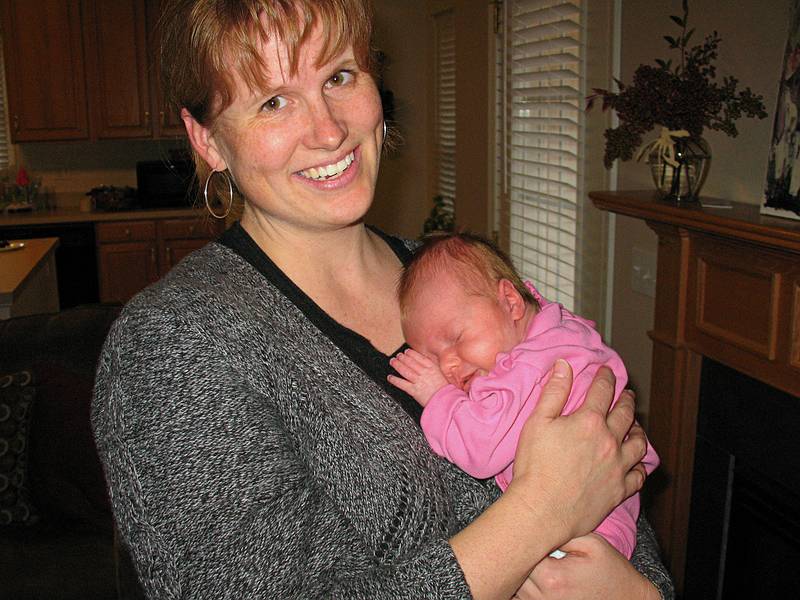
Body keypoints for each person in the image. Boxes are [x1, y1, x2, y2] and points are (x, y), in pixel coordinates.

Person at [91, 1, 674, 598]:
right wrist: (540, 513)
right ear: (207, 139)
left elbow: (613, 476)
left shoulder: (454, 279)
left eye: (339, 78)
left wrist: (641, 593)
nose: (330, 131)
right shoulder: (172, 347)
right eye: (274, 101)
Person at [388, 233, 660, 560]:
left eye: (456, 337)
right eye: (432, 357)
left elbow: (481, 449)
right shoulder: (556, 331)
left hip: (590, 530)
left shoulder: (526, 366)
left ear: (511, 302)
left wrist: (438, 396)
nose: (447, 364)